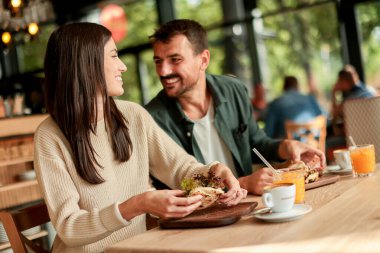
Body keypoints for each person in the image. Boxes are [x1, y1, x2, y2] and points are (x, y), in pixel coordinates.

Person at [34, 22, 246, 252]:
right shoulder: (49, 136)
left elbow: (179, 168)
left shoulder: (132, 116)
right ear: (87, 64)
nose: (122, 66)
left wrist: (215, 172)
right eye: (114, 56)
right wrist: (138, 204)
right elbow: (69, 228)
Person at [145, 19, 325, 196]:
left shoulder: (234, 90)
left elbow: (257, 144)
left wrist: (287, 146)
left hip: (250, 205)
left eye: (175, 60)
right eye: (158, 61)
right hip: (201, 218)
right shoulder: (152, 118)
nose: (163, 71)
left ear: (204, 60)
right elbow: (176, 186)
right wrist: (243, 183)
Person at [331, 68, 374, 136]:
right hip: (374, 136)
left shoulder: (348, 102)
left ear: (344, 81)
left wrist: (333, 93)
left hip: (355, 139)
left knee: (328, 143)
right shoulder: (371, 92)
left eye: (339, 81)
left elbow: (334, 115)